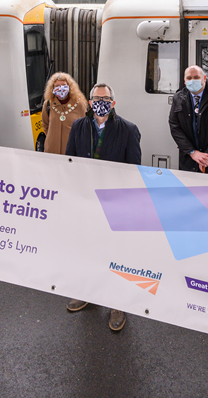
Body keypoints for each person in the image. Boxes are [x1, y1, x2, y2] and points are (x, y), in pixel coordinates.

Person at [65, 83, 141, 331]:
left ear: (113, 103)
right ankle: (88, 292)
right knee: (88, 248)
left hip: (114, 204)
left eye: (105, 99)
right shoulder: (78, 126)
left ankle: (117, 304)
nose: (101, 102)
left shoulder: (129, 130)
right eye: (96, 98)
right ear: (89, 102)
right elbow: (70, 161)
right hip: (87, 201)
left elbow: (133, 171)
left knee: (116, 253)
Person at [168, 65, 208, 175]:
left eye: (196, 77)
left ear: (204, 78)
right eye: (189, 78)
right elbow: (175, 127)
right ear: (184, 81)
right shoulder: (178, 98)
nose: (192, 81)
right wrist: (192, 152)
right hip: (189, 163)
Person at [41, 72, 88, 154]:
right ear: (52, 88)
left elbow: (84, 128)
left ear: (69, 87)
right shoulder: (48, 104)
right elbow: (45, 125)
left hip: (72, 151)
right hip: (51, 150)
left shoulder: (79, 105)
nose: (60, 88)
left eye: (63, 85)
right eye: (57, 86)